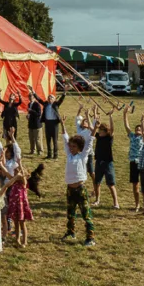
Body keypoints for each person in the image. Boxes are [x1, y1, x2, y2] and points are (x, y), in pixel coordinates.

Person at [59, 114, 96, 246]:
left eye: (74, 146)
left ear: (80, 148)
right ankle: (70, 232)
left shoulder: (83, 156)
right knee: (70, 213)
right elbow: (65, 139)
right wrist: (63, 124)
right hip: (70, 189)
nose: (71, 148)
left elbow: (90, 141)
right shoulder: (69, 155)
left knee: (86, 213)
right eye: (71, 146)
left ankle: (90, 237)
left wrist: (95, 128)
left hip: (80, 190)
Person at [92, 109, 120, 209]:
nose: (99, 132)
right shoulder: (99, 137)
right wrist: (95, 123)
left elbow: (112, 129)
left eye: (101, 130)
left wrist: (110, 116)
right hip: (98, 162)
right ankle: (97, 200)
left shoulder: (109, 138)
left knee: (111, 184)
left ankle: (116, 203)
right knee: (97, 183)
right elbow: (93, 131)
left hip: (108, 164)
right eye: (99, 130)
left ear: (105, 131)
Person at [30, 86, 65, 160]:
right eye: (49, 97)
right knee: (48, 140)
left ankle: (55, 155)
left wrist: (65, 91)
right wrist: (33, 92)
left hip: (54, 124)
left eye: (51, 97)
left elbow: (61, 100)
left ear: (54, 99)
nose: (50, 98)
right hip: (47, 123)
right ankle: (49, 155)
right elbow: (39, 100)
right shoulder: (45, 104)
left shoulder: (56, 104)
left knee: (55, 140)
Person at [123, 107, 144, 213]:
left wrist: (143, 122)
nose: (138, 130)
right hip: (133, 163)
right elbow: (126, 126)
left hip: (142, 163)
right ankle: (137, 205)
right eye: (136, 129)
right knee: (135, 185)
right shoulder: (132, 136)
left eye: (140, 129)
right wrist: (125, 114)